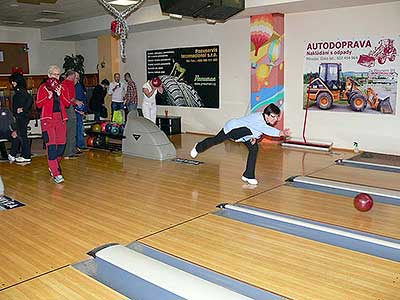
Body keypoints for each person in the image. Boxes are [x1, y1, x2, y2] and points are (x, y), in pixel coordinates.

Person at [190, 104, 291, 185]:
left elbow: (257, 131)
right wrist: (282, 133)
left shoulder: (264, 121)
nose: (275, 120)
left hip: (245, 134)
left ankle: (248, 175)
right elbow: (267, 130)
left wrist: (255, 138)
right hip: (233, 129)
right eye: (273, 117)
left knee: (254, 149)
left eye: (277, 117)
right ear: (266, 114)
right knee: (216, 140)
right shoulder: (259, 119)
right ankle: (198, 147)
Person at [36, 65, 74, 184]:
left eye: (58, 74)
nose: (56, 77)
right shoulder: (43, 88)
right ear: (49, 75)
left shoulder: (62, 87)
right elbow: (38, 104)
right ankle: (56, 173)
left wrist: (60, 94)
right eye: (54, 74)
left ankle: (54, 166)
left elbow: (67, 104)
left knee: (61, 146)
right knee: (51, 146)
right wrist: (48, 97)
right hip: (48, 120)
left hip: (61, 119)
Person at [9, 72, 33, 163]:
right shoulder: (20, 90)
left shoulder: (20, 91)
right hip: (22, 116)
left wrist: (23, 109)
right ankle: (24, 154)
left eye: (13, 81)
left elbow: (30, 99)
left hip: (22, 117)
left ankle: (26, 155)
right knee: (21, 135)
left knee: (23, 136)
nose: (12, 83)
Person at [62, 70, 79, 159]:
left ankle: (69, 151)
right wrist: (77, 102)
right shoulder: (69, 83)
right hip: (69, 108)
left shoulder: (63, 83)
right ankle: (69, 152)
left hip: (65, 108)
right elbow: (71, 98)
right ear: (71, 76)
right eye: (75, 76)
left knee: (68, 130)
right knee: (71, 130)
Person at [74, 72, 89, 152]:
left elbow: (83, 97)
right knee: (79, 128)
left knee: (80, 128)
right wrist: (78, 110)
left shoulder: (79, 85)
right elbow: (73, 100)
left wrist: (84, 110)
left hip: (80, 108)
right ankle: (79, 145)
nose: (78, 79)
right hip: (76, 110)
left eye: (78, 78)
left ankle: (80, 145)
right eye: (76, 78)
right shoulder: (73, 87)